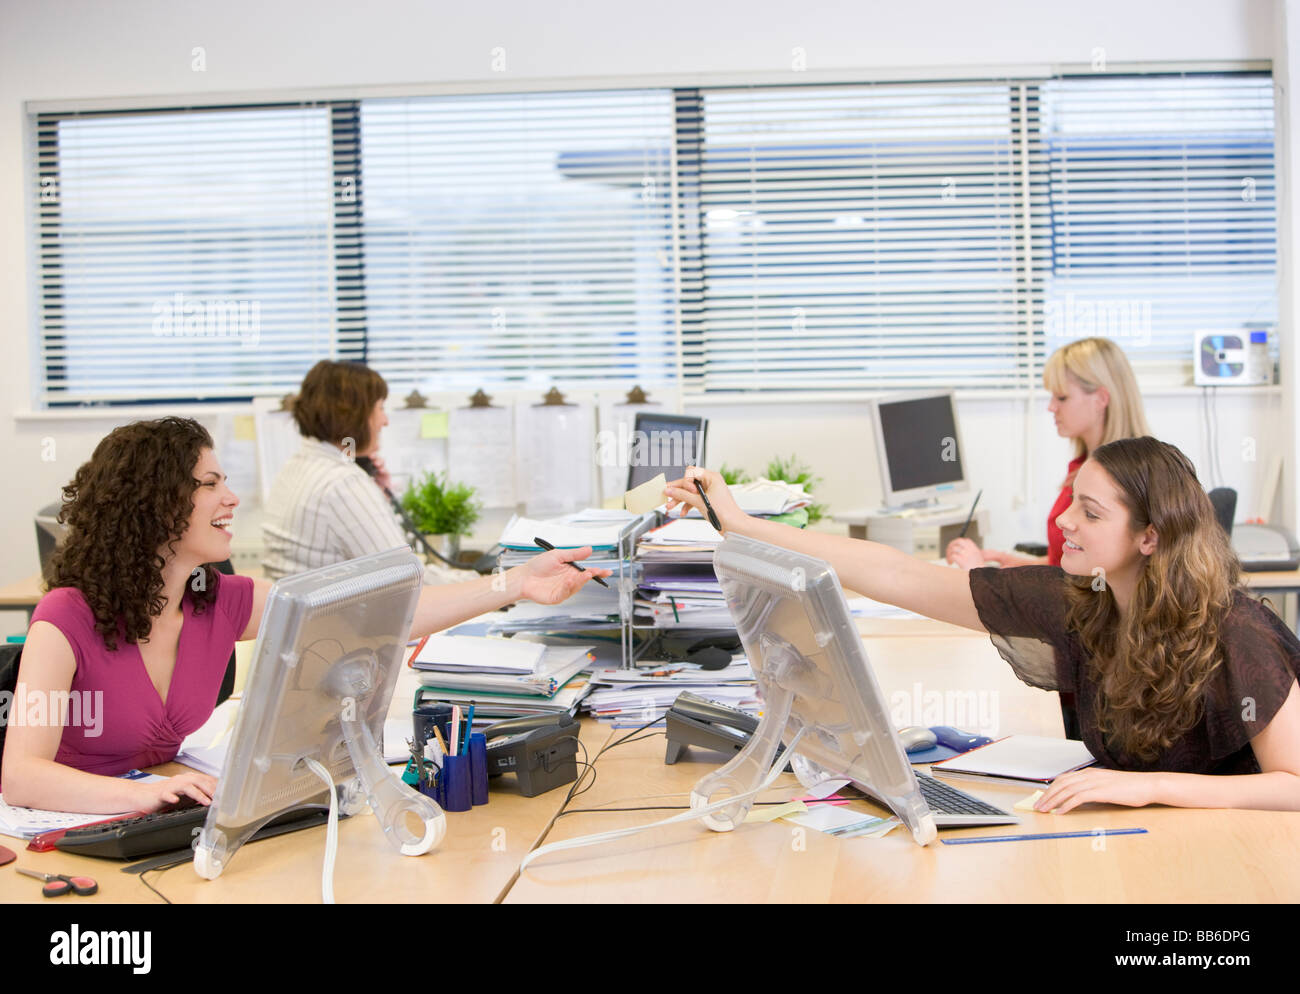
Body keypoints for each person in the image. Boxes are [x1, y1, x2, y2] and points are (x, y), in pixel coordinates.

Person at [2, 417, 607, 814]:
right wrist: (150, 794)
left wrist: (515, 584)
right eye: (210, 483)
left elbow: (383, 615)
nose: (231, 498)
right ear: (156, 504)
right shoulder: (65, 619)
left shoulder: (219, 600)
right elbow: (22, 776)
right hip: (65, 837)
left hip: (165, 824)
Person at [663, 440, 1300, 812]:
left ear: (1151, 537)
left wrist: (1148, 789)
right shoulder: (1082, 601)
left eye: (1091, 512)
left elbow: (1294, 788)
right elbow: (902, 575)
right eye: (1072, 501)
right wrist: (738, 522)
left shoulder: (1236, 634)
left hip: (1227, 856)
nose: (1065, 524)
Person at [946, 337, 1151, 570]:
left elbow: (1093, 585)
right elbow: (1073, 565)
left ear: (1101, 399)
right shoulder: (1083, 467)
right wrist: (1016, 565)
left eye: (1062, 398)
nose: (1051, 407)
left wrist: (982, 576)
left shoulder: (1121, 481)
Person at [263, 360, 429, 581]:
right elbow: (409, 580)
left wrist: (377, 494)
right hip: (329, 614)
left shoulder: (297, 465)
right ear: (355, 415)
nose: (385, 421)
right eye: (380, 408)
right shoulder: (343, 482)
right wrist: (482, 580)